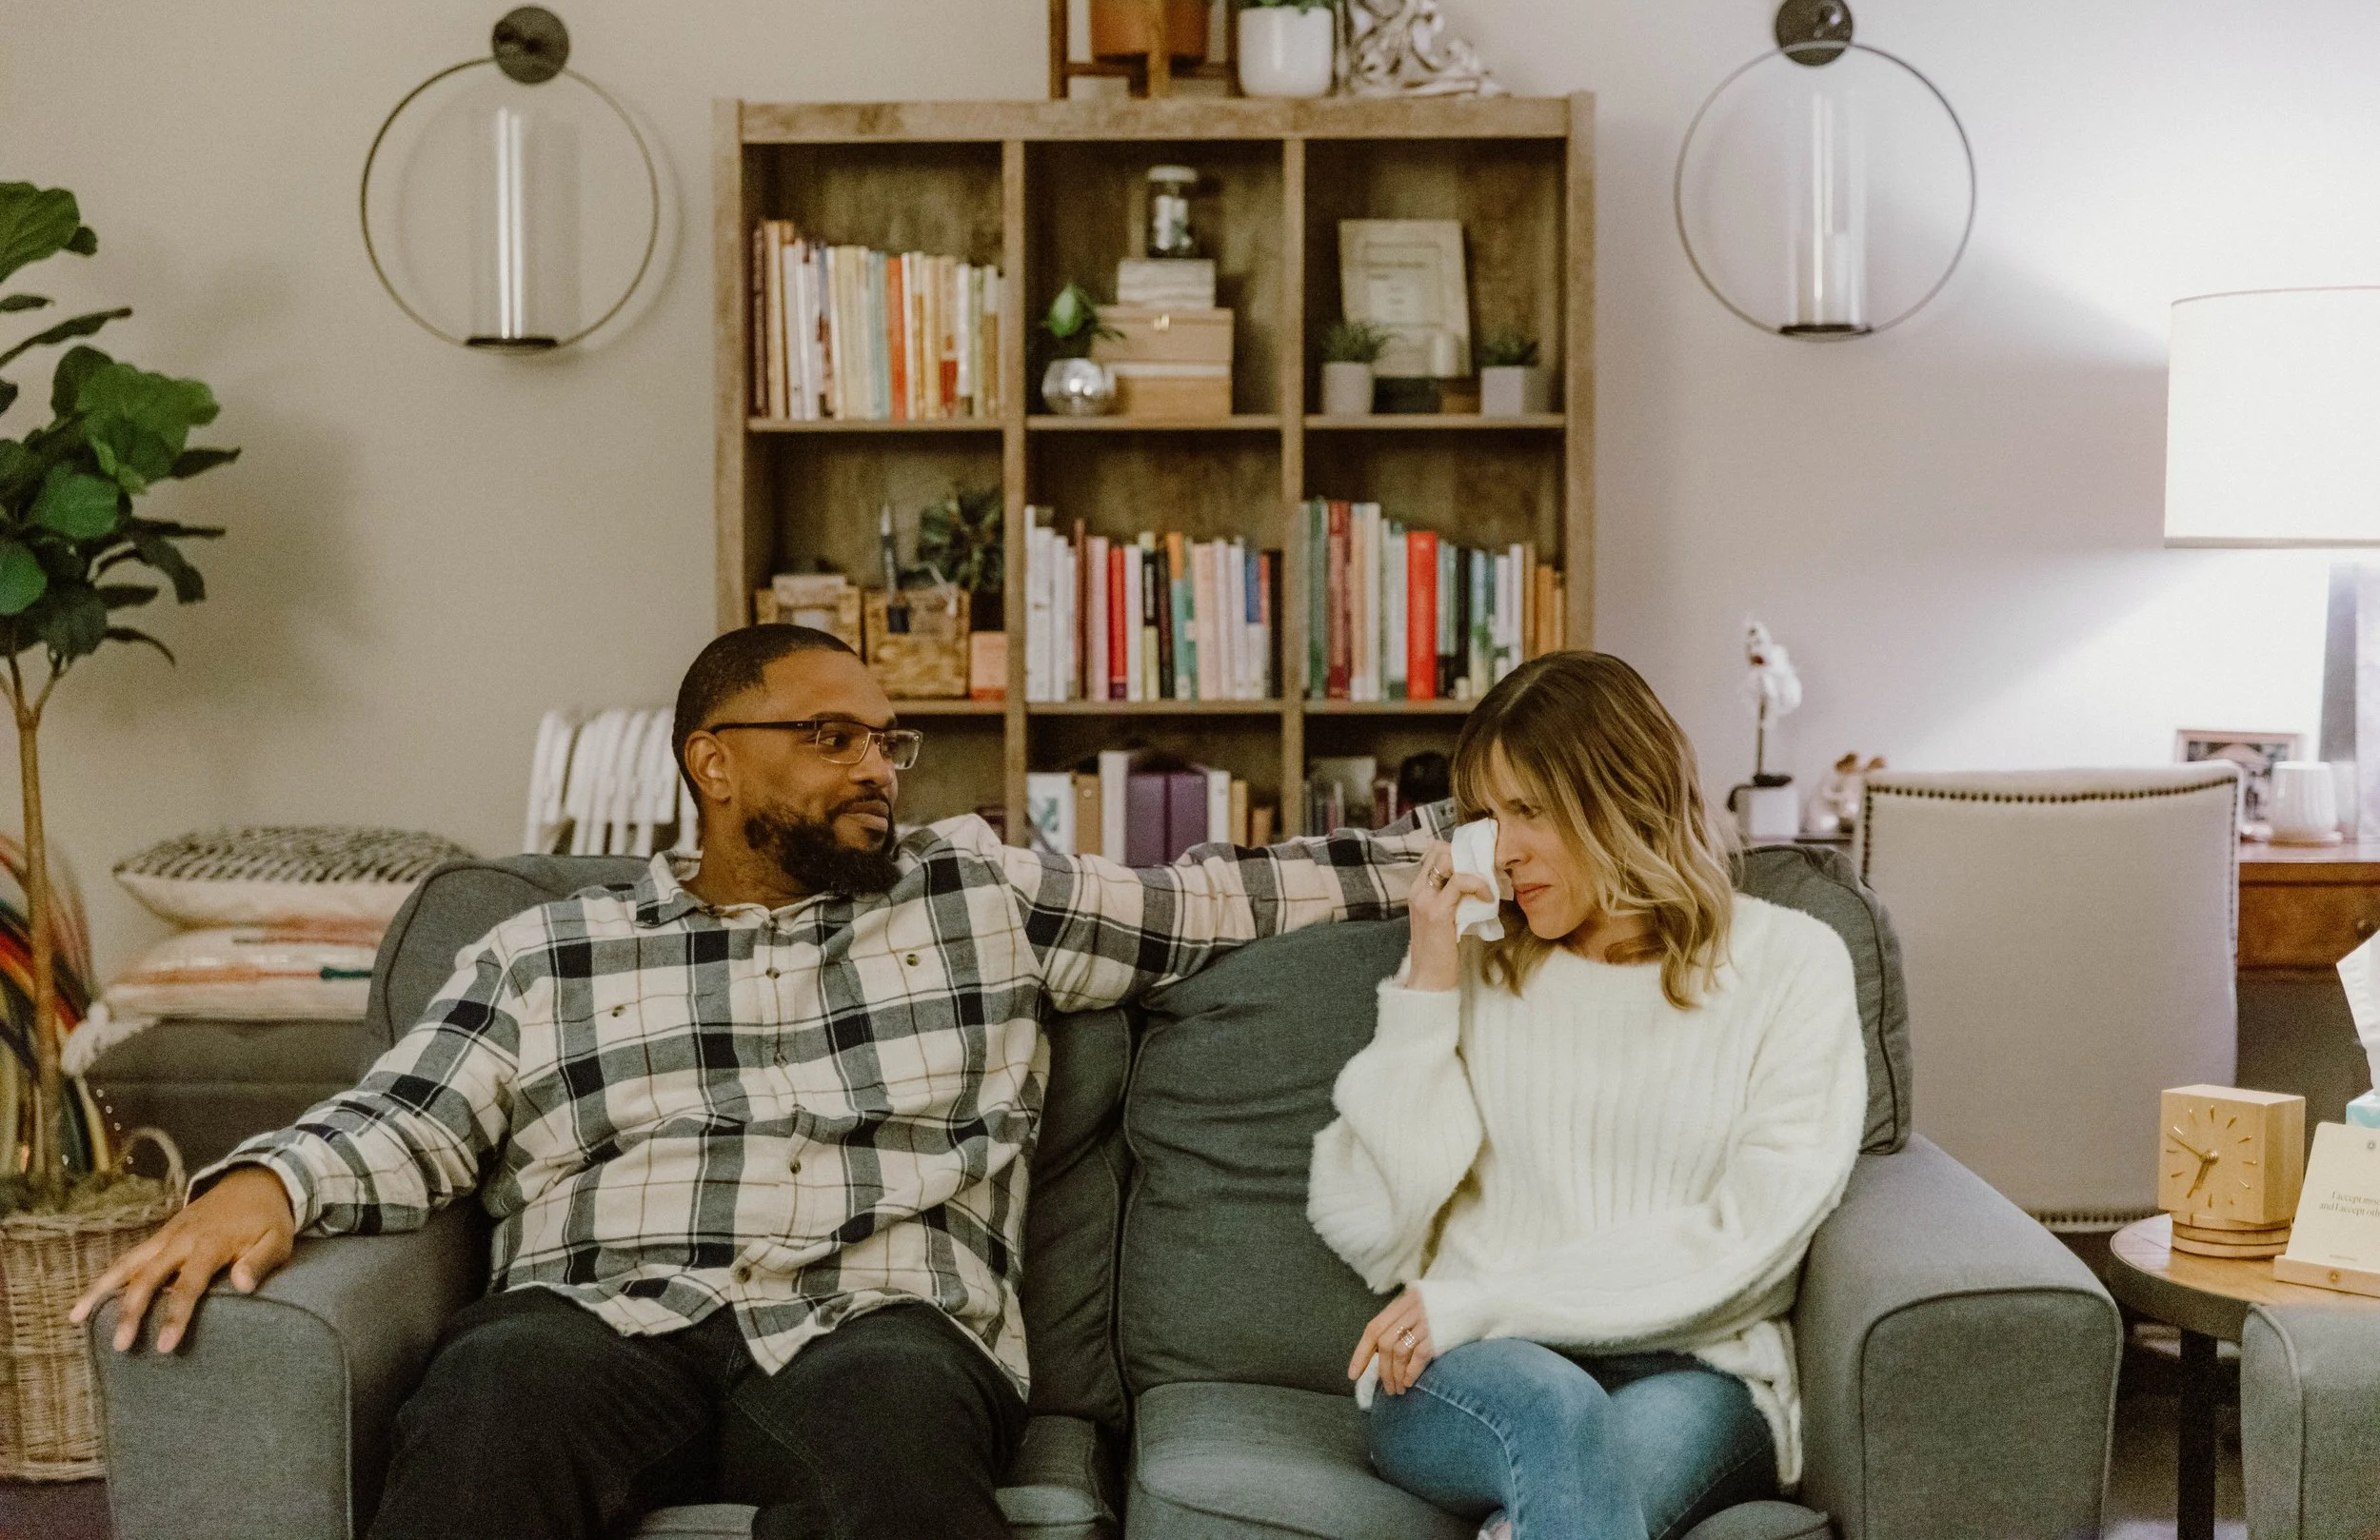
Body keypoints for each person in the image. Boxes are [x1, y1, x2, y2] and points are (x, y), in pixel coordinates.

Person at [78, 623, 1449, 1540]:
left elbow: (1227, 895)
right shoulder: (547, 947)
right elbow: (411, 1111)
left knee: (897, 1445)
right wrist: (266, 1178)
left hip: (884, 1316)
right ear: (714, 760)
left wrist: (1480, 835)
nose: (878, 771)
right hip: (601, 1306)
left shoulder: (981, 890)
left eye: (887, 741)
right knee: (492, 1391)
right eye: (832, 738)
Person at [1306, 651, 1866, 1540]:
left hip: (1692, 1371)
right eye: (1490, 816)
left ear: (1626, 794)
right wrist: (1428, 983)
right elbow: (1374, 1227)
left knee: (1565, 1490)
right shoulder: (1480, 966)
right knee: (1556, 1412)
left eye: (1530, 809)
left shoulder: (1791, 966)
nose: (1507, 846)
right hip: (1480, 1368)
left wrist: (1494, 1294)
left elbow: (1753, 1232)